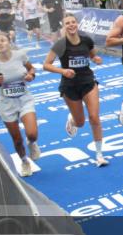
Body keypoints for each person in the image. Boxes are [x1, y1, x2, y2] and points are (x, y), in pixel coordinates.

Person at [43, 13, 107, 166]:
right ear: (64, 26)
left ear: (77, 24)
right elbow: (46, 65)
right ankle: (72, 120)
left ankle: (99, 154)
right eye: (67, 23)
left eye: (73, 22)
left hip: (88, 82)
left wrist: (96, 59)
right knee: (80, 123)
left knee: (94, 117)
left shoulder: (86, 40)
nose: (71, 25)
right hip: (70, 86)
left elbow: (92, 55)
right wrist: (63, 71)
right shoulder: (60, 44)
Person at [0, 32, 41, 176]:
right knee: (17, 139)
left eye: (2, 40)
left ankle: (32, 143)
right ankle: (24, 161)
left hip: (25, 99)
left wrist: (31, 76)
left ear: (9, 42)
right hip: (6, 104)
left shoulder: (20, 55)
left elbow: (31, 69)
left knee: (32, 133)